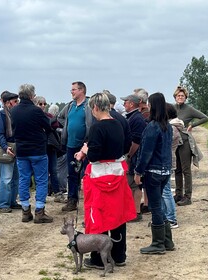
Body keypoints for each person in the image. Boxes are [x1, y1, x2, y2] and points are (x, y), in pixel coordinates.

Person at [74, 92, 136, 269]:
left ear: (94, 107)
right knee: (118, 215)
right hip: (117, 173)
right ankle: (119, 255)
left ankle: (97, 259)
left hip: (99, 176)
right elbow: (126, 146)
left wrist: (86, 148)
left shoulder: (96, 128)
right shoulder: (118, 123)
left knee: (98, 215)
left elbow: (93, 156)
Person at [134, 92, 174, 255]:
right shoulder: (168, 126)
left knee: (155, 206)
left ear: (153, 105)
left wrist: (138, 171)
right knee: (159, 205)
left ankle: (158, 243)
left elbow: (146, 152)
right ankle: (167, 240)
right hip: (165, 170)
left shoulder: (152, 126)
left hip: (153, 171)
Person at [10, 84, 53, 224]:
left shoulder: (14, 111)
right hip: (37, 150)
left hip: (21, 150)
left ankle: (25, 211)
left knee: (24, 179)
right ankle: (39, 211)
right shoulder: (36, 111)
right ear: (31, 95)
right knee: (41, 180)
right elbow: (48, 127)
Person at [57, 81, 94, 212]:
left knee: (87, 174)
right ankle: (72, 200)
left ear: (82, 90)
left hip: (84, 145)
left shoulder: (89, 105)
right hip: (70, 144)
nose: (71, 92)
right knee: (72, 173)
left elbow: (93, 121)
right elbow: (60, 118)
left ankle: (90, 202)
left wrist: (88, 136)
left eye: (74, 89)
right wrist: (67, 126)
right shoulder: (70, 106)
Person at [173, 86, 208, 206]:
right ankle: (178, 194)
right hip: (174, 142)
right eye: (178, 96)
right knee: (176, 169)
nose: (180, 97)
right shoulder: (172, 108)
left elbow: (205, 118)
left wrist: (193, 125)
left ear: (185, 97)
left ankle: (188, 196)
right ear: (175, 97)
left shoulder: (189, 109)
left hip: (185, 142)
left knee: (185, 169)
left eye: (182, 96)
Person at [0, 91, 22, 213]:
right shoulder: (2, 115)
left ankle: (12, 201)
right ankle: (3, 204)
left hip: (15, 147)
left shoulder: (13, 114)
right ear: (7, 103)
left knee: (15, 177)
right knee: (6, 177)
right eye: (15, 101)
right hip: (8, 148)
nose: (17, 103)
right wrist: (5, 147)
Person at [120, 93, 146, 222]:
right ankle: (133, 211)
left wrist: (128, 155)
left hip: (135, 156)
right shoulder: (133, 117)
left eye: (125, 102)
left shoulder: (136, 118)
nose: (124, 104)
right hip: (134, 155)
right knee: (131, 184)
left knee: (134, 184)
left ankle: (136, 212)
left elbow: (136, 141)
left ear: (131, 104)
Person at [34, 96, 63, 202]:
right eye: (40, 104)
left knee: (54, 170)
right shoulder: (34, 116)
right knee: (41, 172)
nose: (42, 106)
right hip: (40, 147)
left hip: (51, 146)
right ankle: (42, 194)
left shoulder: (49, 116)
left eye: (44, 104)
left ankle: (57, 193)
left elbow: (54, 125)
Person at [163, 103, 183, 229]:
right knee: (166, 191)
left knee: (166, 191)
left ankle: (171, 219)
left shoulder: (172, 129)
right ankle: (168, 217)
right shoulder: (175, 127)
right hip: (170, 160)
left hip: (168, 160)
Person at [134, 88, 150, 214]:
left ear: (139, 100)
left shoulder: (145, 115)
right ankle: (146, 203)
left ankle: (147, 204)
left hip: (143, 151)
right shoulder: (144, 113)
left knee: (144, 180)